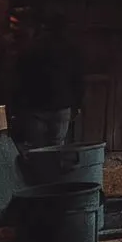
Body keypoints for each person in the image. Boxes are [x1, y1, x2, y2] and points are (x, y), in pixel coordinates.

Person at [11, 13, 85, 149]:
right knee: (57, 145)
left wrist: (18, 105)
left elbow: (21, 77)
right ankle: (54, 168)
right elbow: (78, 78)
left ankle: (39, 169)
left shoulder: (31, 49)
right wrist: (77, 103)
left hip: (35, 104)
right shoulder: (71, 49)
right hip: (61, 104)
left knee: (36, 147)